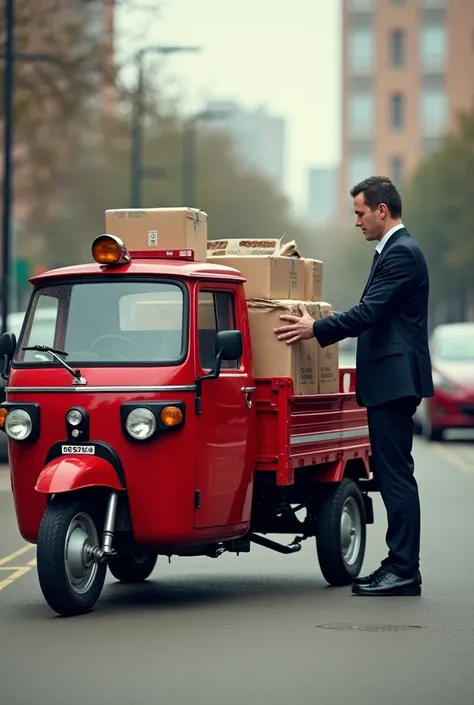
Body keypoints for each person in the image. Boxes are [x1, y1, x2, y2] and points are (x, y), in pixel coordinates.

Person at [274, 175, 434, 597]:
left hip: (395, 382)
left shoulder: (402, 254)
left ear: (382, 211)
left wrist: (316, 328)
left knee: (396, 478)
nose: (356, 222)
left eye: (360, 213)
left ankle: (403, 570)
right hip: (390, 381)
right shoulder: (392, 251)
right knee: (394, 476)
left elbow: (370, 312)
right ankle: (399, 564)